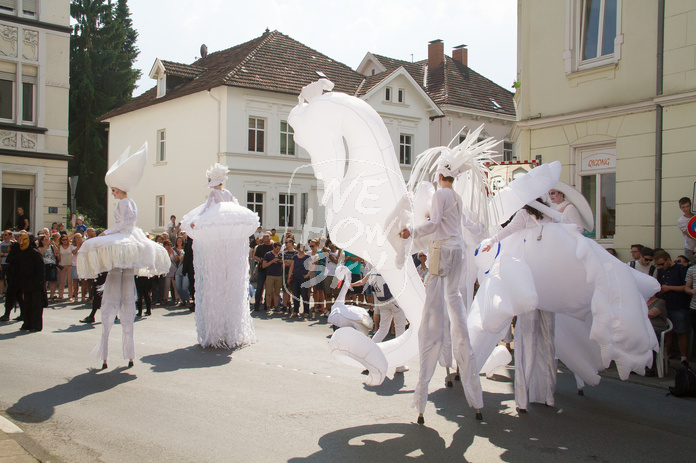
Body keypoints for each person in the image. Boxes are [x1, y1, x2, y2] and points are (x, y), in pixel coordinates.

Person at [400, 170, 484, 424]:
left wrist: (412, 231)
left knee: (433, 310)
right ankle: (470, 385)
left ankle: (428, 373)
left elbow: (434, 224)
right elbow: (462, 225)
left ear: (439, 175)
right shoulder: (457, 197)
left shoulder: (440, 195)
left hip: (442, 251)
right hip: (457, 251)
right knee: (454, 301)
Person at [76, 143, 169, 368]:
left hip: (126, 238)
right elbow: (126, 223)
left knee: (117, 285)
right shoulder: (129, 201)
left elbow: (124, 224)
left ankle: (112, 352)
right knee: (123, 288)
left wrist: (106, 233)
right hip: (129, 239)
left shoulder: (126, 202)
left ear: (119, 189)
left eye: (114, 190)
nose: (113, 193)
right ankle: (126, 354)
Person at [482, 199, 557, 411]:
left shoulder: (525, 214)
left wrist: (491, 241)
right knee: (548, 339)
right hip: (547, 278)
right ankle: (547, 394)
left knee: (527, 337)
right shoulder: (550, 215)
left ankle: (523, 398)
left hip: (529, 278)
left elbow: (508, 232)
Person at [181, 162, 258, 348]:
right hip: (227, 237)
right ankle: (230, 330)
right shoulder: (228, 193)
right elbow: (236, 206)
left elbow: (207, 209)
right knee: (227, 276)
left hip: (217, 237)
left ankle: (217, 331)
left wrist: (196, 222)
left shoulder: (215, 194)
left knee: (215, 278)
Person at [654, 250, 689, 367]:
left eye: (662, 264)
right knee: (668, 333)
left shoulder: (680, 269)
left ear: (668, 260)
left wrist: (669, 288)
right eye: (658, 265)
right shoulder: (660, 271)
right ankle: (666, 356)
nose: (660, 267)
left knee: (681, 331)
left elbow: (687, 287)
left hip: (678, 305)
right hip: (665, 306)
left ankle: (684, 358)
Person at [11, 233, 45, 331]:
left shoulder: (35, 253)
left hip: (36, 284)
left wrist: (39, 283)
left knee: (36, 305)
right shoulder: (23, 253)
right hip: (26, 283)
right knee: (27, 304)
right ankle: (27, 323)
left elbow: (40, 269)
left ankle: (36, 325)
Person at [287, 242, 311, 317]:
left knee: (304, 295)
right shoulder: (295, 257)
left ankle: (306, 311)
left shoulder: (307, 257)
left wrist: (307, 275)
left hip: (304, 278)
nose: (302, 248)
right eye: (300, 247)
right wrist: (289, 277)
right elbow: (292, 267)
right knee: (296, 295)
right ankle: (295, 311)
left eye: (303, 247)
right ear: (298, 248)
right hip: (295, 278)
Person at [253, 234, 274, 311]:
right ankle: (257, 304)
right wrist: (259, 259)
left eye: (267, 240)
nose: (266, 242)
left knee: (269, 288)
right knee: (259, 288)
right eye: (264, 241)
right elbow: (254, 256)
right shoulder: (260, 247)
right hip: (261, 269)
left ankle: (267, 305)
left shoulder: (273, 247)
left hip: (271, 270)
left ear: (270, 239)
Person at [262, 242, 284, 313]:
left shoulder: (280, 255)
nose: (278, 250)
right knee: (269, 292)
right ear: (273, 247)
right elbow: (264, 265)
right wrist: (272, 261)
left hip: (278, 275)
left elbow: (283, 266)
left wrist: (281, 262)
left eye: (279, 249)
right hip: (270, 275)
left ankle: (276, 306)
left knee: (277, 292)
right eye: (277, 249)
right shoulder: (268, 254)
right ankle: (268, 307)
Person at [37, 234, 58, 302]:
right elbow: (40, 254)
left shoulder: (51, 247)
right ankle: (44, 295)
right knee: (44, 281)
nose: (47, 241)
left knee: (52, 281)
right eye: (45, 240)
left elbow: (57, 252)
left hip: (52, 265)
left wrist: (54, 245)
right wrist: (45, 246)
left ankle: (52, 296)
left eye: (48, 239)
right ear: (42, 241)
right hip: (44, 265)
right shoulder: (39, 248)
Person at [677, 197, 695, 265]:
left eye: (687, 206)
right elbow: (690, 234)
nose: (686, 209)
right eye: (683, 207)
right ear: (680, 208)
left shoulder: (694, 215)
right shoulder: (681, 221)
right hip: (690, 248)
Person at [56, 234, 73, 301]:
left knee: (69, 281)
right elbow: (58, 257)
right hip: (62, 265)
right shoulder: (59, 246)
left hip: (69, 264)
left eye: (66, 239)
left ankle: (70, 295)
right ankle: (60, 294)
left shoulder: (70, 246)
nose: (65, 241)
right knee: (62, 281)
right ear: (61, 240)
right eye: (63, 240)